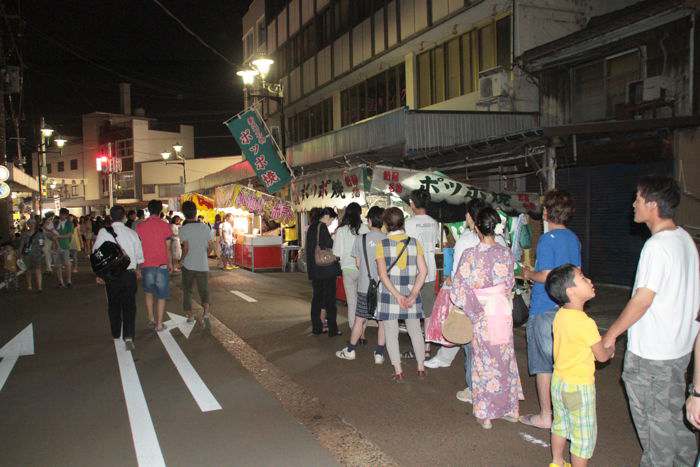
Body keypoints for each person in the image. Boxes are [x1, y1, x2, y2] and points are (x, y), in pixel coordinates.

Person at [601, 176, 699, 466]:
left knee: (655, 437)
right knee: (674, 424)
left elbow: (642, 300)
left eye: (639, 199)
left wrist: (610, 336)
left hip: (653, 356)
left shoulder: (656, 247)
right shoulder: (685, 240)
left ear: (653, 205)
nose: (634, 204)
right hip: (678, 351)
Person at [450, 207, 523, 429]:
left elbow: (459, 290)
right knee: (505, 359)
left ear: (477, 228)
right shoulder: (505, 253)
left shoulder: (471, 255)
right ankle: (511, 409)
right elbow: (510, 283)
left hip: (481, 313)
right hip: (502, 310)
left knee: (484, 361)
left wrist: (475, 311)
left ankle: (487, 413)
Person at [520, 190, 581, 430]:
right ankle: (568, 414)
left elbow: (546, 275)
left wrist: (527, 274)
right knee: (564, 364)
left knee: (544, 366)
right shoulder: (574, 239)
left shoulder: (548, 239)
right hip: (567, 308)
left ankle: (547, 415)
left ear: (547, 212)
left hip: (544, 308)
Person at [425, 198, 507, 376]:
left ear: (472, 219)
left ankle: (473, 387)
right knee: (491, 348)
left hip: (473, 302)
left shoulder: (468, 245)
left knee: (470, 343)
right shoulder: (502, 244)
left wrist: (454, 293)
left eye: (467, 214)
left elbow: (458, 276)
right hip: (497, 307)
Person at [546, 264, 613, 467]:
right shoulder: (585, 323)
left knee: (560, 424)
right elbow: (601, 356)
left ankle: (557, 462)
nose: (590, 280)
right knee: (582, 438)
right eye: (583, 278)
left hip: (558, 383)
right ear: (571, 291)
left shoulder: (560, 315)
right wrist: (609, 350)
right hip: (578, 388)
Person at [375, 207, 428, 381]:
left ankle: (398, 371)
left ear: (386, 225)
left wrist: (397, 295)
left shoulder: (381, 245)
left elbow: (383, 275)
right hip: (410, 295)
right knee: (415, 331)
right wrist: (413, 294)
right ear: (402, 223)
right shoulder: (414, 243)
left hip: (390, 294)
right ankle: (420, 367)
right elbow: (423, 271)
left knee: (391, 332)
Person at [336, 206, 387, 363]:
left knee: (357, 312)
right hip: (383, 284)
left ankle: (352, 348)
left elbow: (356, 262)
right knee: (382, 319)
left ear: (370, 220)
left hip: (362, 281)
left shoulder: (359, 237)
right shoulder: (387, 239)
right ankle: (379, 353)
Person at [93, 205, 144, 351]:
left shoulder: (103, 232)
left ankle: (116, 333)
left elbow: (96, 253)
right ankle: (128, 336)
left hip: (112, 275)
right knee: (129, 305)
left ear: (110, 216)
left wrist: (99, 274)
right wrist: (138, 270)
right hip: (129, 274)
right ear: (124, 217)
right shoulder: (132, 233)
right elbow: (139, 256)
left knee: (113, 304)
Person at [405, 188, 440, 359]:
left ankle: (416, 346)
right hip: (430, 272)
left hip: (413, 272)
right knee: (428, 312)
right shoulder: (434, 223)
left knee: (412, 310)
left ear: (413, 203)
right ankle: (427, 347)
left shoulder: (409, 224)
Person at [136, 199, 173, 332]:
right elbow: (168, 247)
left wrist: (138, 267)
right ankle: (159, 324)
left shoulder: (140, 226)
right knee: (161, 295)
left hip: (146, 264)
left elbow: (138, 248)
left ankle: (151, 319)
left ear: (149, 210)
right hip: (162, 264)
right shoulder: (165, 226)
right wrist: (170, 263)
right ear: (160, 211)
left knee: (148, 293)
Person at [332, 202, 369, 334]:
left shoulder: (341, 230)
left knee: (352, 301)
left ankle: (354, 329)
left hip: (347, 269)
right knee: (362, 300)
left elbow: (336, 253)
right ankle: (362, 330)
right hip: (363, 269)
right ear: (359, 213)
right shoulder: (364, 228)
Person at [306, 207, 341, 337]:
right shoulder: (322, 227)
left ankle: (317, 327)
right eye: (331, 219)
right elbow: (329, 244)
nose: (331, 222)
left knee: (317, 299)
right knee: (330, 301)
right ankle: (333, 329)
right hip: (326, 270)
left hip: (315, 270)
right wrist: (333, 238)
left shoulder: (311, 227)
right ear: (327, 216)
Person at [179, 201, 212, 330]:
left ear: (184, 214)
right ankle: (206, 314)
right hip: (202, 265)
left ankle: (190, 315)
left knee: (187, 291)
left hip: (188, 266)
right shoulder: (205, 227)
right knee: (204, 291)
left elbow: (185, 249)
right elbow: (210, 247)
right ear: (196, 212)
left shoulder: (184, 229)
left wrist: (181, 260)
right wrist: (205, 255)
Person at [19, 219, 44, 292]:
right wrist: (20, 254)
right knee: (28, 271)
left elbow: (42, 244)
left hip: (37, 255)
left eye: (33, 223)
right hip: (27, 255)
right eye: (30, 223)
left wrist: (40, 251)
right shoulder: (24, 235)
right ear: (28, 224)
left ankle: (39, 287)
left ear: (35, 224)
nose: (31, 225)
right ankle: (29, 285)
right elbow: (21, 245)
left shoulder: (40, 234)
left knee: (38, 270)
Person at [53, 208, 75, 288]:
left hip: (65, 246)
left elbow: (70, 234)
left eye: (63, 214)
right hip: (56, 246)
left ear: (66, 215)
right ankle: (60, 281)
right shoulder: (56, 223)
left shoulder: (69, 223)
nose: (61, 216)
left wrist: (59, 236)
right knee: (57, 265)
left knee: (67, 264)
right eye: (60, 214)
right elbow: (52, 233)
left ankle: (69, 281)